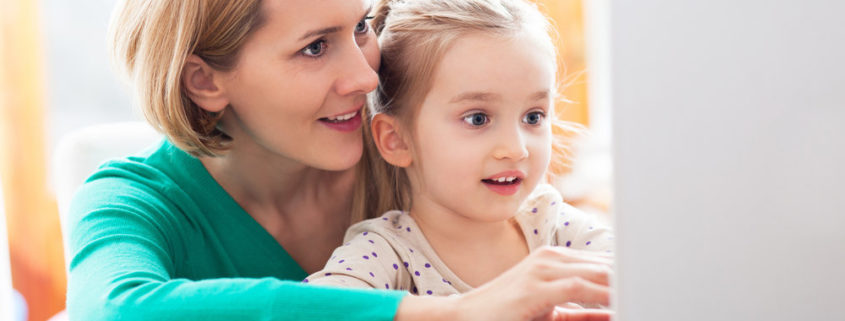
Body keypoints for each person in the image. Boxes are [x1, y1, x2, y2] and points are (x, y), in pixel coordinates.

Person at [66, 0, 612, 320]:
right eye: (315, 47)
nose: (366, 77)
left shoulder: (418, 150)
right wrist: (453, 313)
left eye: (360, 27)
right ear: (205, 81)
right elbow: (119, 312)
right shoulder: (133, 201)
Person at [304, 0, 613, 306]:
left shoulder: (553, 224)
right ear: (396, 140)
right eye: (477, 119)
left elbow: (647, 275)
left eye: (533, 116)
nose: (515, 149)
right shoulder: (387, 252)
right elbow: (309, 310)